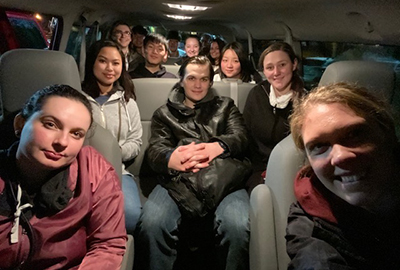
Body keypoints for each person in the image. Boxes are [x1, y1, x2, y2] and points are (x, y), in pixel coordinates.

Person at [134, 56, 251, 270]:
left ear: (211, 82)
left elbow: (241, 136)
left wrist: (217, 147)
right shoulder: (164, 114)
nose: (198, 85)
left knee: (238, 226)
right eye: (192, 78)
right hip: (178, 181)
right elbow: (156, 150)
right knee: (152, 225)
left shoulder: (225, 106)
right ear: (181, 80)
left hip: (223, 180)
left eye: (204, 79)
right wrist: (172, 158)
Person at [0, 84, 127, 269]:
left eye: (76, 134)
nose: (62, 142)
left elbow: (107, 244)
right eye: (50, 125)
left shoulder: (93, 173)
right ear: (20, 124)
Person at [286, 82, 400, 269]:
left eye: (354, 134)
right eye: (318, 146)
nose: (340, 157)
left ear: (387, 131)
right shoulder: (310, 228)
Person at [82, 40, 142, 234]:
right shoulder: (78, 98)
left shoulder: (128, 101)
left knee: (130, 215)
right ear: (92, 63)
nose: (110, 68)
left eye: (116, 63)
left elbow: (135, 141)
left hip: (117, 171)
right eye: (103, 61)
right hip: (82, 171)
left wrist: (115, 152)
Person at [243, 41, 304, 192]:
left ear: (294, 64)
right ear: (264, 71)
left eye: (282, 65)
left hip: (294, 171)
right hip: (259, 170)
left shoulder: (306, 101)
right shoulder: (257, 94)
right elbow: (245, 137)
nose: (276, 72)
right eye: (270, 68)